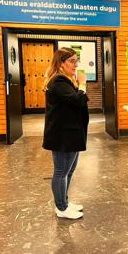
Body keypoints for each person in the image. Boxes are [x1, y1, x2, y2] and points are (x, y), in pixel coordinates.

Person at [43, 47, 89, 219]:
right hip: (63, 135)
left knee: (68, 171)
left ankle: (65, 202)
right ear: (60, 63)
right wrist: (83, 84)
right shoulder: (58, 82)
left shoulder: (66, 80)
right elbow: (77, 101)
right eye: (71, 61)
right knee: (61, 172)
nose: (75, 65)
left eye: (76, 60)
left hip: (71, 133)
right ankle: (61, 208)